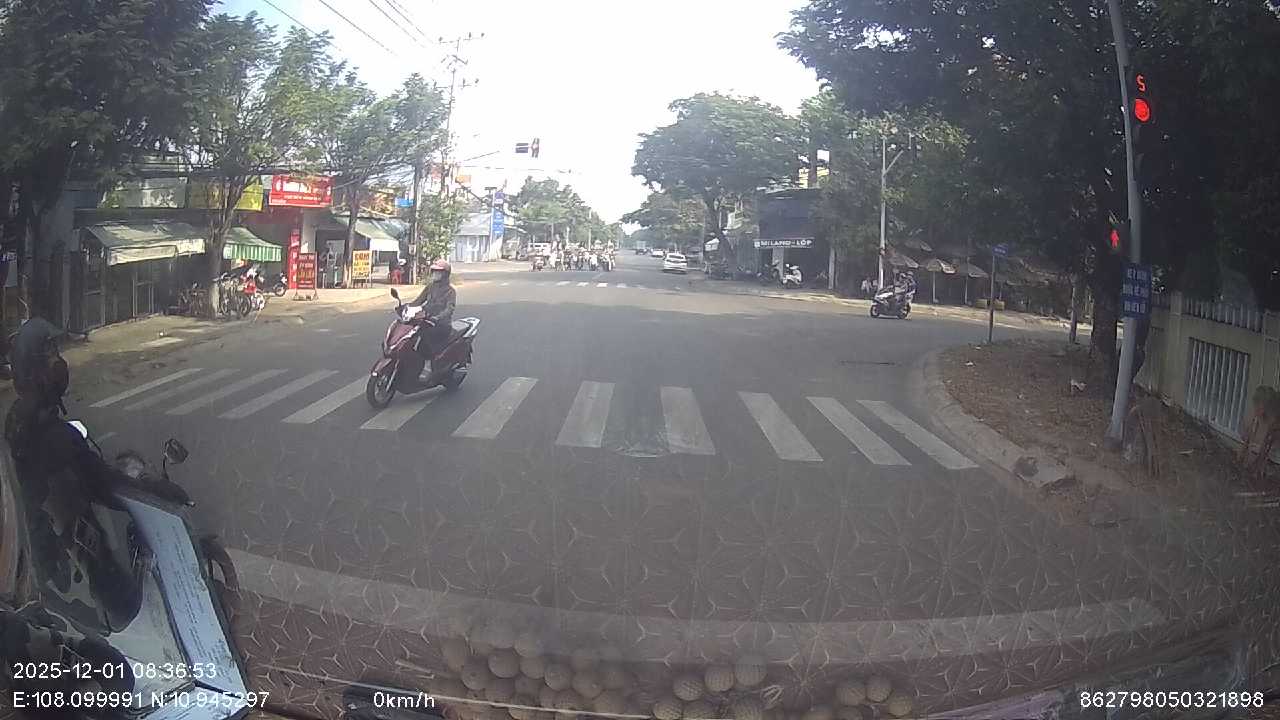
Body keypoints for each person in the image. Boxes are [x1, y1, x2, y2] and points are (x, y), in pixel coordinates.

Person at [409, 259, 456, 364]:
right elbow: (418, 301)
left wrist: (437, 317)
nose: (435, 274)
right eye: (434, 271)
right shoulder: (430, 287)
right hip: (426, 321)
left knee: (426, 338)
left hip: (442, 325)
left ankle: (431, 363)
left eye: (438, 272)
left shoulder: (450, 291)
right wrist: (406, 307)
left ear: (445, 274)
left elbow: (449, 309)